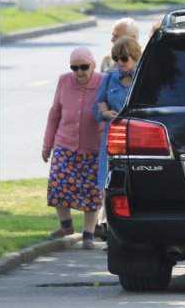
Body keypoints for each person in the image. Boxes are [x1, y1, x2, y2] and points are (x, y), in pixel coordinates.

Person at [42, 47, 105, 250]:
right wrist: (47, 144)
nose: (79, 72)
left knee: (91, 191)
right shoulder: (63, 81)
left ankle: (88, 234)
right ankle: (66, 226)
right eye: (75, 67)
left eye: (84, 67)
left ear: (92, 66)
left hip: (93, 147)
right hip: (65, 143)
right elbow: (54, 114)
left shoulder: (103, 82)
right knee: (58, 184)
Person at [94, 36, 140, 197]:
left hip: (137, 137)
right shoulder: (109, 79)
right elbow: (97, 106)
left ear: (135, 56)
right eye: (116, 58)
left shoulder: (143, 79)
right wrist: (105, 113)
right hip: (113, 139)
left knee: (136, 184)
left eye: (124, 58)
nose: (119, 62)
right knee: (110, 184)